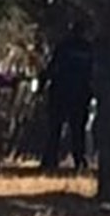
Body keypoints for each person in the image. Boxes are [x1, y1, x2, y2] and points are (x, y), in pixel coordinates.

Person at [39, 22, 94, 172]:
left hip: (62, 93)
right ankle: (78, 160)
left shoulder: (65, 47)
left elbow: (52, 67)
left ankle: (51, 160)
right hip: (78, 95)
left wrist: (42, 84)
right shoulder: (88, 49)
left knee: (56, 128)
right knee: (77, 130)